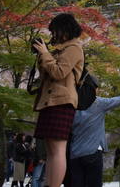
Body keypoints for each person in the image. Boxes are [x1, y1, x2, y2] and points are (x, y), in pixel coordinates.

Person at [32, 13, 85, 187]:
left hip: (62, 102)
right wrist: (42, 55)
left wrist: (46, 53)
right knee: (50, 151)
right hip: (50, 102)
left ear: (65, 29)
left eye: (55, 31)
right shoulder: (61, 49)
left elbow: (59, 73)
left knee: (58, 150)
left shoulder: (74, 48)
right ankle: (49, 184)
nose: (53, 35)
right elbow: (46, 74)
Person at [68, 72, 120, 187]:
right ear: (94, 89)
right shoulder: (98, 103)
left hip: (74, 154)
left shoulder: (72, 105)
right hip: (93, 152)